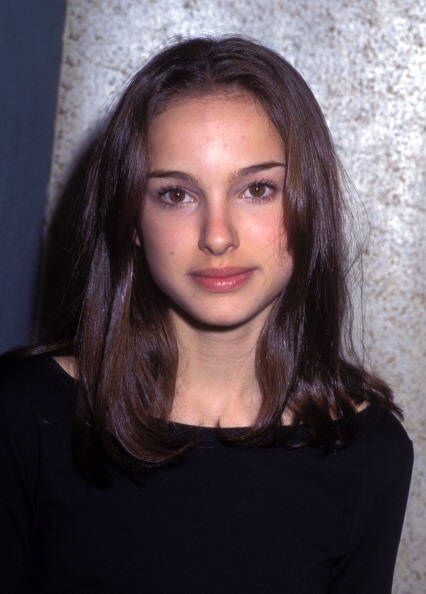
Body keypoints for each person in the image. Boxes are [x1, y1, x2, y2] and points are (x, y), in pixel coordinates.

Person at [0, 35, 414, 594]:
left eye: (257, 189)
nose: (217, 236)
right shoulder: (23, 413)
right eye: (176, 195)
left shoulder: (368, 451)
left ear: (310, 206)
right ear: (131, 221)